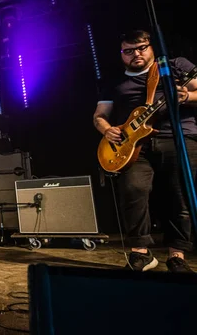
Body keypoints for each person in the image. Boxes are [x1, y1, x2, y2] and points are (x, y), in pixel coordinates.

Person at [93, 30, 197, 272]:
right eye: (129, 51)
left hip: (179, 136)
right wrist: (107, 130)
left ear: (152, 48)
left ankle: (177, 255)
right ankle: (140, 252)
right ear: (122, 54)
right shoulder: (115, 82)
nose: (136, 54)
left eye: (141, 48)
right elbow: (99, 116)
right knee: (133, 192)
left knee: (178, 195)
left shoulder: (175, 67)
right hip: (134, 146)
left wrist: (187, 96)